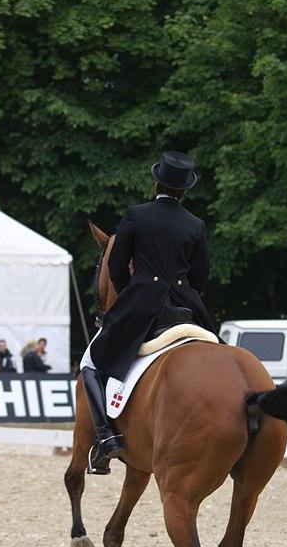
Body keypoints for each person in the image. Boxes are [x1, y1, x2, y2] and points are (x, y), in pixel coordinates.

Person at [82, 151, 217, 473]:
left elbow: (116, 266)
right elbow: (200, 275)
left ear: (157, 182)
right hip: (186, 305)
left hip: (143, 301)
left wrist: (132, 291)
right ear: (185, 190)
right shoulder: (195, 224)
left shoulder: (136, 214)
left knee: (91, 362)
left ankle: (105, 439)